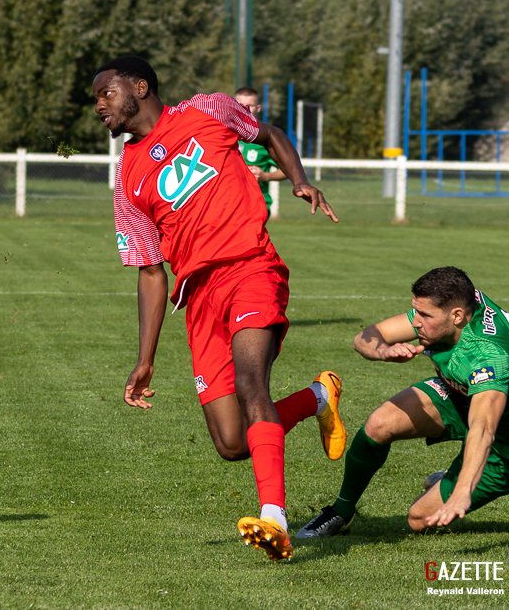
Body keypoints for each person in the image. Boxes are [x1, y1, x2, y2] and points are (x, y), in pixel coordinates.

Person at [92, 56, 344, 561]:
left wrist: (299, 178)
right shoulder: (127, 178)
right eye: (95, 99)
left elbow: (269, 134)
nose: (99, 105)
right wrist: (145, 359)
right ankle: (319, 396)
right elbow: (150, 272)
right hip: (199, 297)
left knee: (252, 385)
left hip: (251, 268)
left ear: (139, 87)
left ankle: (274, 520)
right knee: (231, 442)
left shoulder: (208, 109)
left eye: (106, 93)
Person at [296, 267, 509, 538]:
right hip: (463, 392)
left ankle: (453, 481)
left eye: (425, 315)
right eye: (416, 311)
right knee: (380, 424)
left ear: (457, 316)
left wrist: (461, 492)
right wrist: (384, 351)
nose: (415, 322)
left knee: (418, 518)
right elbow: (365, 338)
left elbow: (483, 429)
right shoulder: (457, 304)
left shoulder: (488, 358)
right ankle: (341, 511)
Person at [233, 87, 288, 218]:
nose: (244, 109)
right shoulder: (224, 133)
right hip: (228, 204)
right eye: (240, 105)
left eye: (249, 106)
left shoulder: (267, 138)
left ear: (258, 108)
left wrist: (266, 176)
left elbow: (288, 170)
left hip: (255, 206)